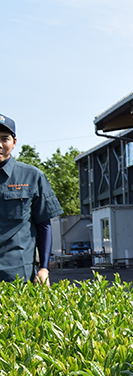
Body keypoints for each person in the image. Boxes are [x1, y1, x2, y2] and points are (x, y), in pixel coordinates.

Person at [0, 114, 63, 285]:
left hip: (18, 276)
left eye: (4, 139)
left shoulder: (32, 176)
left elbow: (43, 224)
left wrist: (44, 268)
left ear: (14, 142)